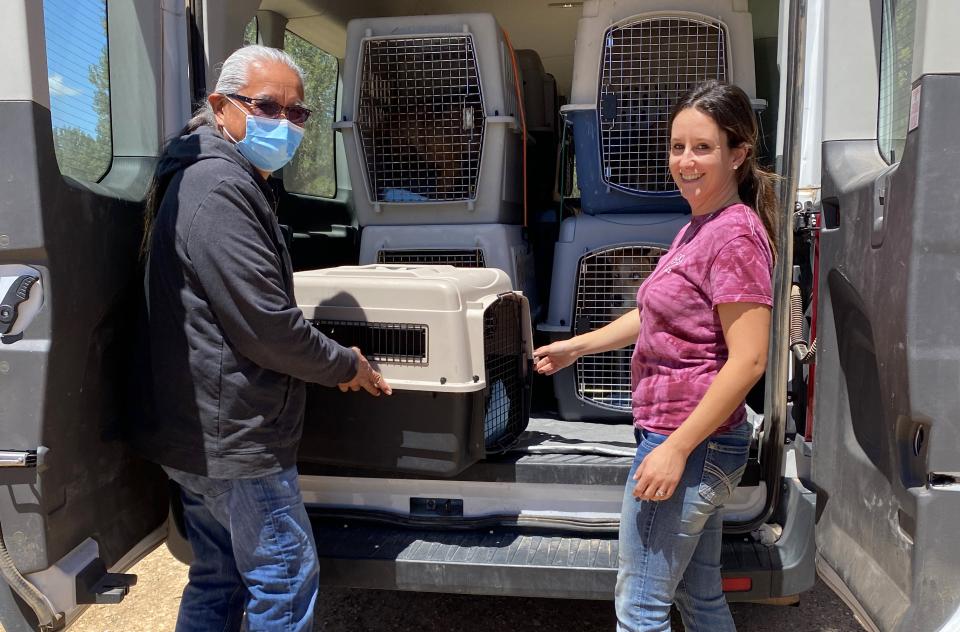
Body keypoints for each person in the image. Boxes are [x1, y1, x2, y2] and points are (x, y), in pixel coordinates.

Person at [131, 45, 391, 632]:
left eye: (297, 113)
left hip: (200, 430)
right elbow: (268, 327)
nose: (286, 122)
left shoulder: (209, 176)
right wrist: (345, 363)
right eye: (268, 105)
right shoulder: (219, 187)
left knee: (218, 576)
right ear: (221, 106)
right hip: (235, 436)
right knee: (283, 578)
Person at [533, 79, 776, 631]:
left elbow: (749, 361)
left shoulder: (733, 236)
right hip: (692, 441)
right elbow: (656, 314)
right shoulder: (700, 228)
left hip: (688, 440)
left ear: (738, 154)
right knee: (700, 598)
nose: (685, 162)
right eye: (676, 147)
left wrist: (674, 451)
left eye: (703, 148)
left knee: (639, 609)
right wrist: (578, 345)